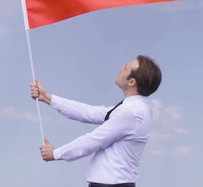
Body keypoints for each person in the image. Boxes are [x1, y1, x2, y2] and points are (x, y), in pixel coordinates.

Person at [30, 55, 162, 187]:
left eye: (126, 67)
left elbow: (93, 141)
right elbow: (89, 112)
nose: (121, 68)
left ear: (131, 82)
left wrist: (56, 153)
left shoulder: (131, 112)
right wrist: (47, 97)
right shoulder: (135, 108)